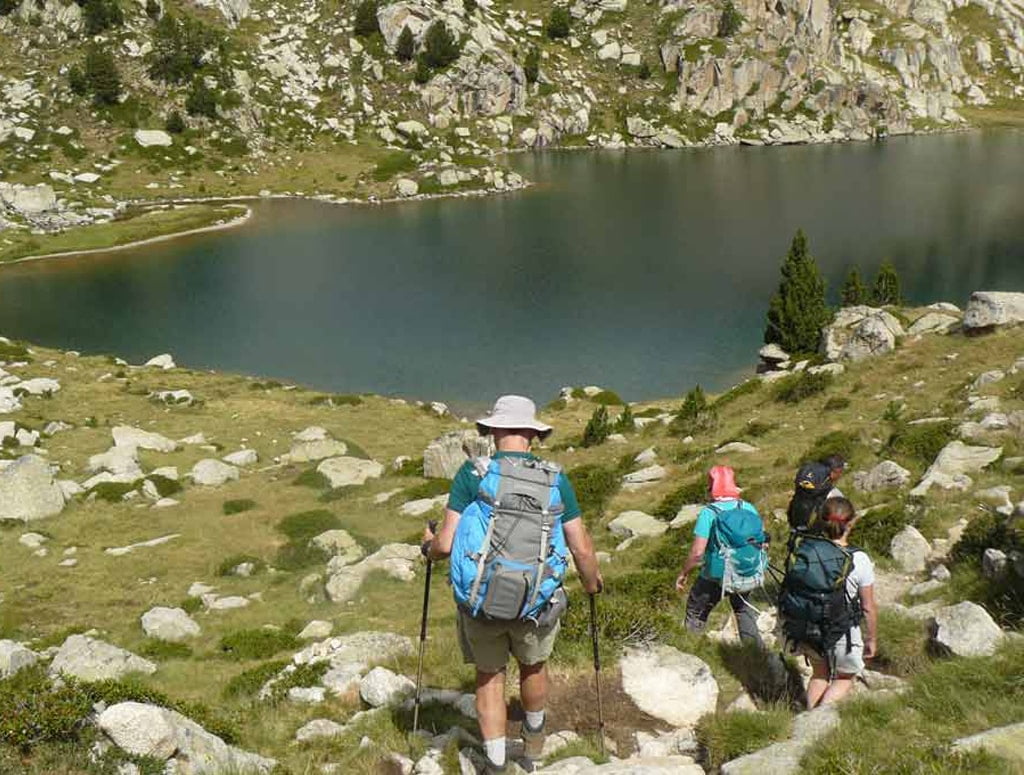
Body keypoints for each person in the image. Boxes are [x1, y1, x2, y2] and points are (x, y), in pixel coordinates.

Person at [423, 395, 603, 774]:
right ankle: (534, 749)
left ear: (494, 431)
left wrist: (427, 546)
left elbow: (445, 544)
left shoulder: (473, 475)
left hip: (482, 598)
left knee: (490, 677)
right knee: (533, 666)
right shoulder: (556, 479)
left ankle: (496, 763)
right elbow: (581, 546)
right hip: (535, 600)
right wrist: (591, 584)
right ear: (531, 436)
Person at [780, 497, 878, 708]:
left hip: (808, 624)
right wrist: (871, 638)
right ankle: (816, 723)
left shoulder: (805, 551)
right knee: (844, 677)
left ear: (821, 520)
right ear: (851, 523)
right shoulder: (859, 559)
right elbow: (868, 607)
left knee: (820, 674)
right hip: (842, 628)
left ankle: (805, 719)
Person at [675, 465, 766, 647]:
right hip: (745, 571)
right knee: (743, 611)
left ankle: (692, 649)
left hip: (714, 574)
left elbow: (697, 552)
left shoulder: (709, 513)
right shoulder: (748, 507)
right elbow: (761, 541)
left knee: (696, 611)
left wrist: (683, 573)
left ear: (713, 486)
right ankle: (756, 654)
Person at [787, 454, 846, 530]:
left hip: (795, 519)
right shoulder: (832, 493)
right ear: (835, 470)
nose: (840, 475)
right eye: (840, 471)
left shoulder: (808, 469)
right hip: (814, 528)